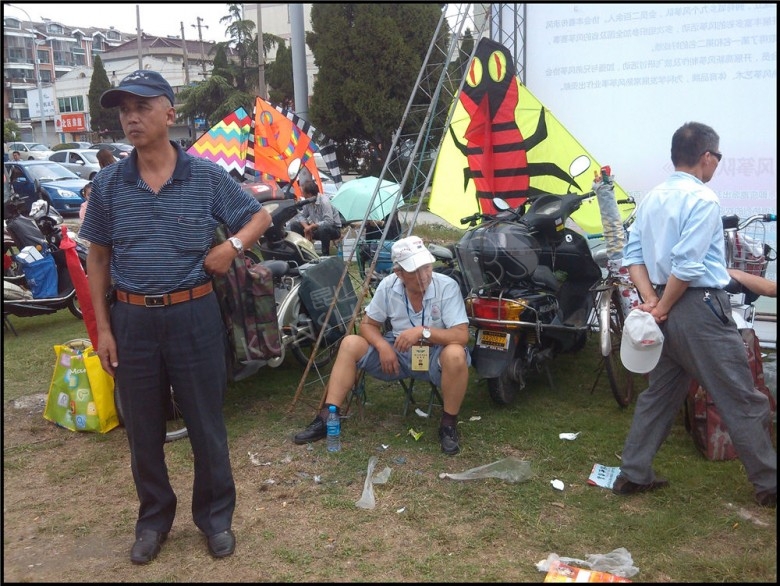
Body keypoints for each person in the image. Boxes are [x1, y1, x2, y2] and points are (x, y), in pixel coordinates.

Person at [79, 70, 272, 564]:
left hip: (194, 315)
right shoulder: (108, 184)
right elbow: (97, 257)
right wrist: (104, 329)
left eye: (141, 107)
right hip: (133, 320)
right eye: (124, 110)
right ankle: (153, 521)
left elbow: (260, 216)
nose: (131, 117)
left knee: (206, 425)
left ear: (169, 113)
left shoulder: (204, 176)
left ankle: (215, 519)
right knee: (142, 431)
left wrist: (231, 247)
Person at [614, 121, 776, 507]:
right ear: (706, 156)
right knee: (741, 397)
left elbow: (632, 256)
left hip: (664, 307)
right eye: (717, 156)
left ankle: (633, 473)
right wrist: (662, 306)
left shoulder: (651, 199)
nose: (717, 163)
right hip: (698, 309)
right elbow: (687, 266)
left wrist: (652, 301)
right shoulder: (704, 199)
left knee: (661, 394)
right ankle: (770, 483)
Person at [293, 235, 472, 455]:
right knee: (350, 343)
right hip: (398, 351)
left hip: (436, 354)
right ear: (399, 273)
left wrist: (423, 331)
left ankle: (448, 425)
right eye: (415, 271)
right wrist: (382, 346)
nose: (424, 275)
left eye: (427, 267)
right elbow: (368, 325)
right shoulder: (389, 285)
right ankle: (328, 417)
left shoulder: (446, 286)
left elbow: (461, 335)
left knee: (455, 353)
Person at [288, 178, 342, 255]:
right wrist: (306, 227)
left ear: (309, 194)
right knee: (294, 225)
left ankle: (325, 254)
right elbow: (302, 216)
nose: (302, 195)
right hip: (316, 228)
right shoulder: (308, 201)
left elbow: (329, 222)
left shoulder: (324, 202)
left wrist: (312, 226)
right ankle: (301, 252)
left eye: (303, 193)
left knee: (323, 228)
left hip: (333, 229)